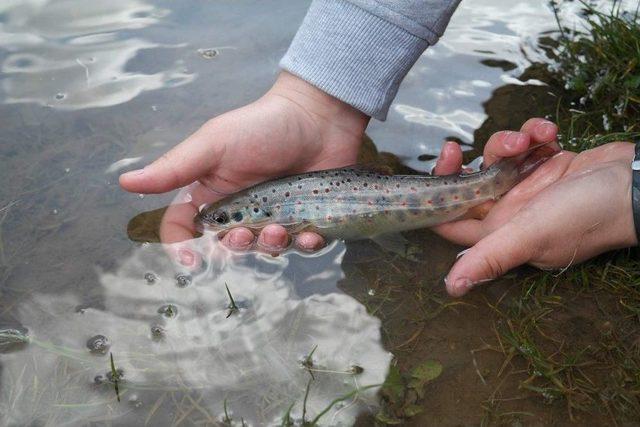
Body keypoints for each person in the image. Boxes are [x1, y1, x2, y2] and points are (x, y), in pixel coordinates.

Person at [120, 0, 637, 297]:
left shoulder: (259, 211)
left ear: (251, 214)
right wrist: (316, 100)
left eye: (222, 219)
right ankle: (488, 187)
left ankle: (490, 187)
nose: (213, 224)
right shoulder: (262, 203)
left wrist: (627, 200)